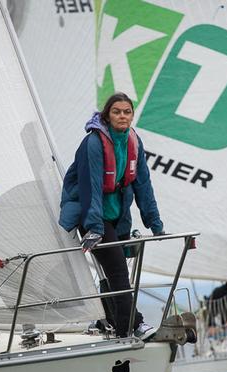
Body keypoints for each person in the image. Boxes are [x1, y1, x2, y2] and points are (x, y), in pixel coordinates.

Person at [59, 92, 164, 339]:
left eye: (127, 111)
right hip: (91, 216)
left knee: (113, 271)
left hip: (118, 215)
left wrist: (156, 224)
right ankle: (132, 326)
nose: (122, 116)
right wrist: (94, 227)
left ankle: (108, 319)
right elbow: (90, 187)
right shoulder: (93, 143)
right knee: (117, 268)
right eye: (116, 111)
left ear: (132, 115)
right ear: (107, 115)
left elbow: (143, 186)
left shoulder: (134, 142)